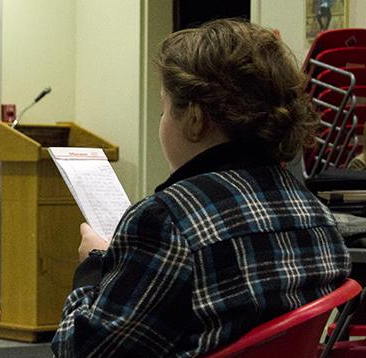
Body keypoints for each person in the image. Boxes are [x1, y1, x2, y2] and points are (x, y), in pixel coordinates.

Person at [51, 19, 351, 357]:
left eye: (164, 109)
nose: (161, 124)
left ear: (195, 118)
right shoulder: (317, 216)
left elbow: (84, 352)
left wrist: (93, 265)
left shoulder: (166, 222)